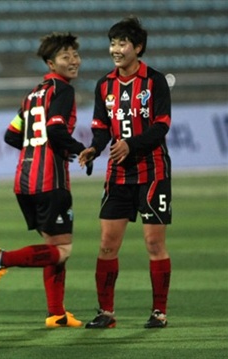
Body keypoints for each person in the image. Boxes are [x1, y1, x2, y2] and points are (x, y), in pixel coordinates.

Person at [0, 32, 91, 328]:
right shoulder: (63, 91)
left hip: (24, 179)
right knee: (62, 250)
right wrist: (82, 150)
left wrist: (39, 148)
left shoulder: (32, 94)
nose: (73, 61)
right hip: (50, 181)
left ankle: (56, 313)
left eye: (75, 55)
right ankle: (3, 259)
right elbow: (56, 131)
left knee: (55, 249)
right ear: (50, 62)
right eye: (65, 56)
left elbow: (11, 134)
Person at [78, 16, 172, 329]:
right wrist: (94, 148)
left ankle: (159, 312)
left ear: (138, 47)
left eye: (123, 43)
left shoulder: (154, 81)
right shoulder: (104, 85)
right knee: (107, 244)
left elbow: (161, 126)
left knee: (154, 244)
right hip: (117, 174)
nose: (116, 49)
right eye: (113, 43)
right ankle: (106, 312)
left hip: (152, 171)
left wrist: (131, 145)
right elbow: (102, 128)